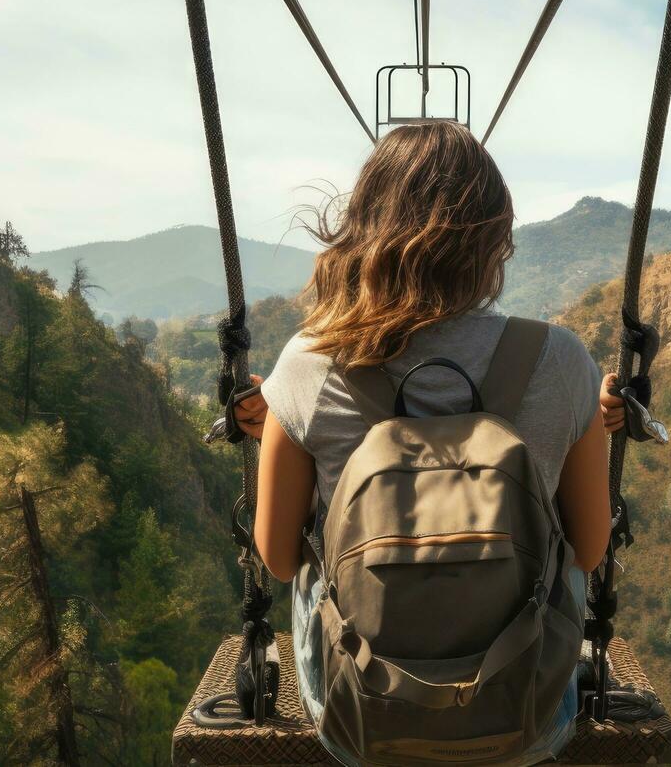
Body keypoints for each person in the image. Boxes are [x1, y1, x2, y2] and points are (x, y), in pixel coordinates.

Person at [230, 121, 620, 766]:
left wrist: (280, 417)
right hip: (524, 717)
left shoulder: (307, 364)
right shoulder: (561, 359)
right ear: (496, 239)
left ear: (361, 232)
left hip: (358, 721)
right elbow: (590, 548)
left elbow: (275, 556)